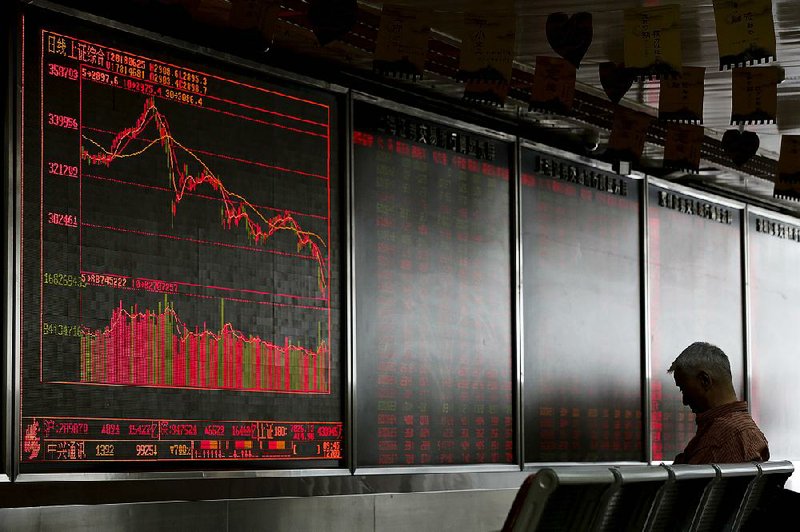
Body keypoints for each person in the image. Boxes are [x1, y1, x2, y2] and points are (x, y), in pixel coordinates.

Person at [668, 341, 769, 464]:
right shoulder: (744, 431)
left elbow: (687, 483)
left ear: (705, 380)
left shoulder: (721, 440)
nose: (685, 401)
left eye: (685, 390)